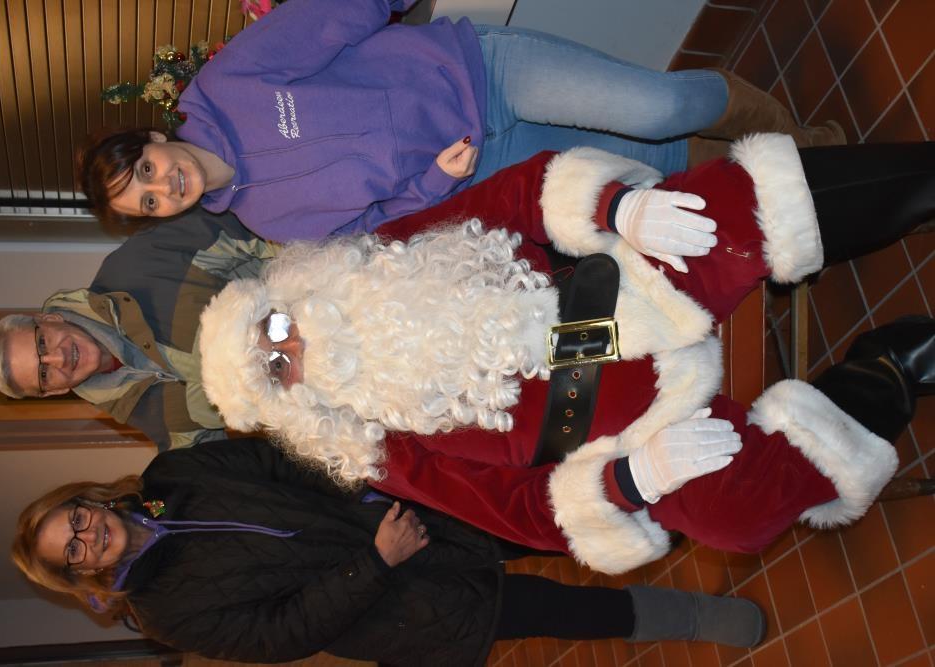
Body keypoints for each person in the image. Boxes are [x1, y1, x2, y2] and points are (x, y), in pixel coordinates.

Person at [197, 135, 934, 575]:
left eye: (273, 326)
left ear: (288, 293)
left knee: (729, 212)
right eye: (276, 367)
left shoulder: (378, 260)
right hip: (633, 428)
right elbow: (523, 514)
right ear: (292, 402)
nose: (292, 344)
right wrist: (634, 479)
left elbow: (517, 195)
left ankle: (921, 182)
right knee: (732, 516)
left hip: (628, 294)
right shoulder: (378, 448)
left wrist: (619, 207)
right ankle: (895, 368)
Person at [78, 0, 843, 240]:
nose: (163, 187)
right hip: (477, 161)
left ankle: (788, 133)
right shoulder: (267, 220)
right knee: (654, 166)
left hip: (479, 71)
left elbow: (333, 14)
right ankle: (806, 164)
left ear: (154, 138)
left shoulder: (229, 85)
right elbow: (379, 222)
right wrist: (431, 182)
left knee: (661, 107)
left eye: (146, 171)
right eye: (148, 202)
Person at [13, 437, 767, 666]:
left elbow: (279, 458)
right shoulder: (164, 613)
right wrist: (376, 560)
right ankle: (698, 618)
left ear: (87, 499)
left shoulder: (170, 476)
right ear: (81, 574)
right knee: (564, 609)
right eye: (72, 550)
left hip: (410, 510)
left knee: (561, 516)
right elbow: (283, 635)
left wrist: (367, 491)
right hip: (401, 604)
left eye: (75, 518)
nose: (87, 535)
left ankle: (696, 514)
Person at [0, 209, 281, 449]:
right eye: (44, 374)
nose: (58, 358)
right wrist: (158, 502)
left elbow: (243, 228)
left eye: (42, 344)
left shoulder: (137, 265)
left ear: (49, 320)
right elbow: (210, 472)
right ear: (53, 391)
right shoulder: (143, 415)